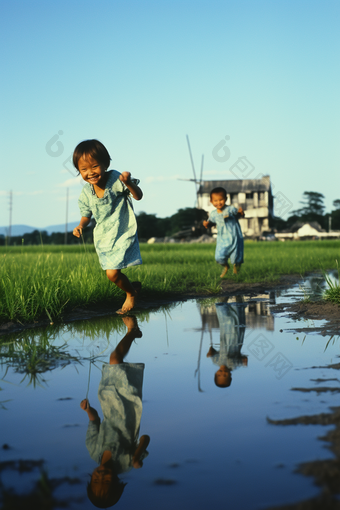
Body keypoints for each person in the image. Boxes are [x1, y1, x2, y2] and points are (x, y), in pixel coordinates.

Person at [80, 316, 150, 508]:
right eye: (107, 482)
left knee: (114, 360)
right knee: (114, 359)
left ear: (91, 478)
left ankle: (133, 332)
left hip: (108, 402)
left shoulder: (93, 450)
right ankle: (132, 331)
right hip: (128, 405)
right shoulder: (126, 464)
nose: (101, 477)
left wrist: (88, 410)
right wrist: (136, 456)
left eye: (96, 481)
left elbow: (94, 422)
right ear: (118, 482)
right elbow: (145, 438)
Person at [72, 139, 143, 314]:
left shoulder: (115, 179)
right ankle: (132, 287)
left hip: (122, 230)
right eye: (84, 169)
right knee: (112, 273)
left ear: (106, 164)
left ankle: (131, 294)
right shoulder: (86, 193)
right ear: (79, 171)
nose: (90, 173)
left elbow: (138, 196)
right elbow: (86, 215)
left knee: (111, 274)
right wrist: (80, 225)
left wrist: (128, 182)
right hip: (104, 237)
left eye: (95, 166)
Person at [203, 187, 244, 278]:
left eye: (221, 200)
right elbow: (211, 223)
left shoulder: (230, 209)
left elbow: (239, 214)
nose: (218, 202)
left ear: (226, 199)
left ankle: (236, 273)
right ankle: (226, 267)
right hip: (222, 239)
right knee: (219, 257)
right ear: (211, 201)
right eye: (215, 200)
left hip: (235, 237)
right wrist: (207, 224)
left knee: (236, 257)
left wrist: (241, 213)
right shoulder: (213, 214)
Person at [207, 301, 248, 388]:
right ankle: (236, 304)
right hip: (236, 339)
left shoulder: (216, 361)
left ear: (216, 373)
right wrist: (243, 361)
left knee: (225, 321)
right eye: (225, 375)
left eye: (219, 374)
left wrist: (210, 352)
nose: (223, 373)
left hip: (225, 336)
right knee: (236, 322)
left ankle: (221, 305)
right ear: (230, 375)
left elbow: (212, 352)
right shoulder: (234, 365)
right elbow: (244, 360)